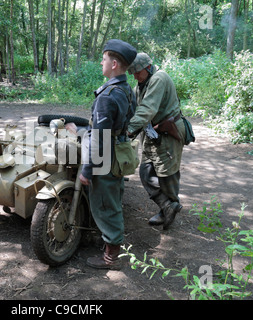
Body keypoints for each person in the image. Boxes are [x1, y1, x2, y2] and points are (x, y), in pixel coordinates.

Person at [79, 39, 137, 270]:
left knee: (105, 203)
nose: (100, 63)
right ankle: (108, 243)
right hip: (120, 152)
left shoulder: (107, 95)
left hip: (106, 156)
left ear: (114, 64)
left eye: (103, 59)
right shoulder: (126, 89)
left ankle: (111, 257)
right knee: (114, 197)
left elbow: (100, 138)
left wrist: (87, 170)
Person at [127, 53, 185, 230]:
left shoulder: (159, 78)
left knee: (167, 174)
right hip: (152, 133)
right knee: (146, 172)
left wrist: (129, 129)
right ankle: (168, 206)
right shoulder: (140, 85)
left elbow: (147, 108)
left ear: (148, 68)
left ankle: (171, 206)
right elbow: (136, 110)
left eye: (137, 72)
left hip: (168, 132)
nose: (135, 76)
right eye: (133, 73)